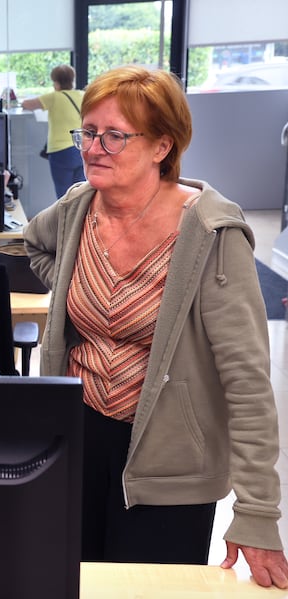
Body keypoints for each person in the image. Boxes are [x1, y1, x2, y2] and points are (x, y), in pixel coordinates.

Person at [23, 64, 288, 587]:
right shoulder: (78, 207)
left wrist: (258, 510)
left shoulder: (212, 232)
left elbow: (248, 381)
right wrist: (69, 290)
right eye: (89, 132)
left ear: (162, 147)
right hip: (77, 442)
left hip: (171, 460)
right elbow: (29, 244)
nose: (94, 147)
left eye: (115, 136)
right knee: (72, 585)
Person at [21, 64, 86, 198]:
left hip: (61, 151)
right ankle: (80, 218)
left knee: (63, 194)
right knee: (81, 193)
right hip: (82, 148)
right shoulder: (83, 95)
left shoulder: (54, 97)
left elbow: (26, 104)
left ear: (56, 83)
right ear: (72, 80)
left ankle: (65, 219)